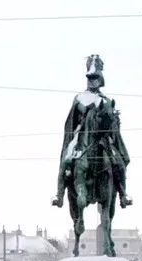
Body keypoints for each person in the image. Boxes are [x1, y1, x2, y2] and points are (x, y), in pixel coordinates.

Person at [52, 54, 132, 209]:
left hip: (103, 139)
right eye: (90, 77)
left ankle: (123, 193)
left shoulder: (106, 101)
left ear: (100, 79)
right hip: (80, 138)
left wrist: (112, 124)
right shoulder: (79, 99)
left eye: (95, 77)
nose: (92, 80)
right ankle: (59, 194)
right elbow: (71, 123)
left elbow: (112, 126)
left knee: (118, 162)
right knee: (66, 160)